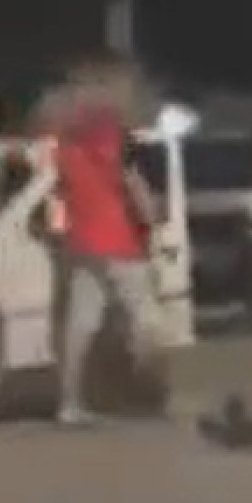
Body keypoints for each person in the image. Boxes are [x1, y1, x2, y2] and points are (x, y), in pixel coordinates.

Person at [49, 52, 168, 427]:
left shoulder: (63, 142)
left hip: (82, 243)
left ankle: (69, 403)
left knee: (81, 323)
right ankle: (148, 392)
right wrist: (155, 221)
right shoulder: (116, 137)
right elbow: (135, 188)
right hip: (120, 242)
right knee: (147, 320)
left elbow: (55, 190)